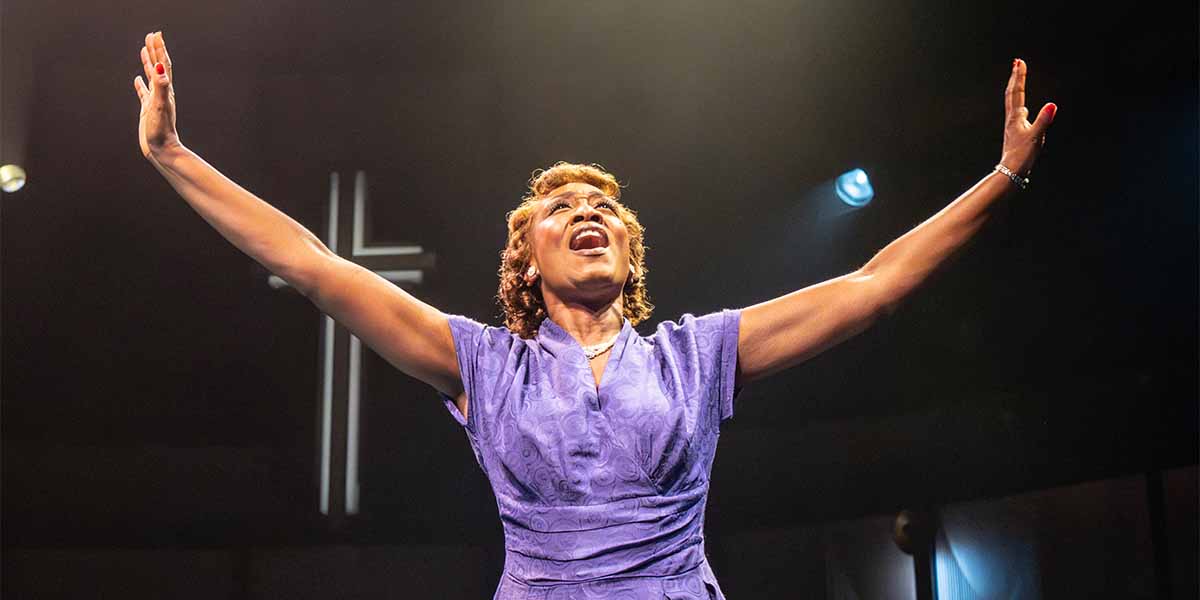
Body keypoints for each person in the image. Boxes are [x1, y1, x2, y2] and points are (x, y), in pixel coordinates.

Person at [133, 30, 1056, 599]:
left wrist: (1004, 175)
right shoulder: (483, 364)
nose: (588, 212)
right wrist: (174, 154)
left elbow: (875, 283)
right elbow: (313, 263)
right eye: (561, 207)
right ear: (525, 262)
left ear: (630, 251)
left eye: (605, 206)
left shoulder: (700, 355)